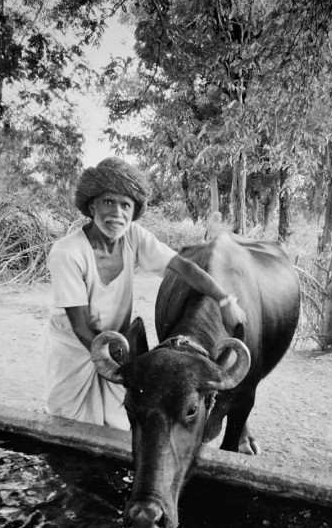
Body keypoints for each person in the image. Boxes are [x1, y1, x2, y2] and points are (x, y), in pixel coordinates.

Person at [44, 157, 246, 430]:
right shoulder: (67, 253)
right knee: (67, 426)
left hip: (116, 347)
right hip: (75, 351)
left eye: (125, 205)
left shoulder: (134, 236)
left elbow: (184, 267)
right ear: (92, 205)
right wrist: (125, 366)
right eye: (108, 202)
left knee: (122, 426)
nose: (116, 213)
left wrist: (225, 299)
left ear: (133, 211)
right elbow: (81, 325)